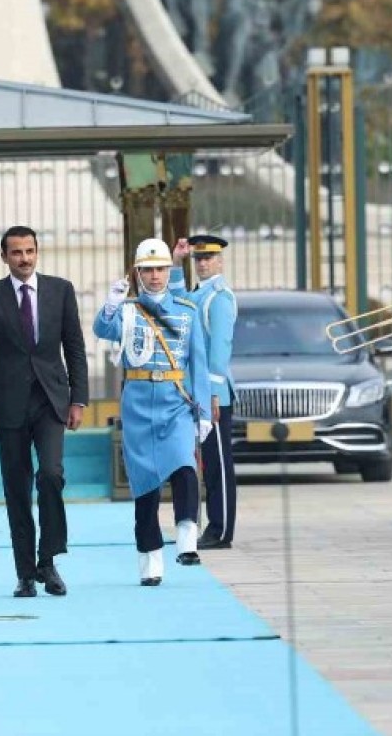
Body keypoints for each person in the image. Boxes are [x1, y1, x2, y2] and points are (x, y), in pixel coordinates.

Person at [0, 226, 89, 599]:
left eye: (30, 251)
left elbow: (76, 348)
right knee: (17, 489)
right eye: (16, 252)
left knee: (50, 475)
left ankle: (48, 561)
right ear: (4, 257)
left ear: (37, 252)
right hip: (9, 405)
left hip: (52, 401)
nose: (24, 258)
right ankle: (25, 573)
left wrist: (79, 399)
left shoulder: (61, 290)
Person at [94, 238, 212, 586]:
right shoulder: (129, 311)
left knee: (185, 468)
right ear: (138, 273)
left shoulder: (187, 312)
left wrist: (202, 411)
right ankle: (150, 562)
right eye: (148, 270)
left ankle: (187, 538)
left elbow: (199, 365)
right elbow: (103, 330)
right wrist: (111, 304)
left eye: (160, 268)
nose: (156, 276)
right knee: (144, 488)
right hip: (138, 403)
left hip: (175, 402)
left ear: (168, 270)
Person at [170, 233, 238, 549]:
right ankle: (210, 525)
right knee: (205, 463)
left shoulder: (219, 297)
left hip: (214, 395)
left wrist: (212, 393)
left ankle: (221, 529)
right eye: (198, 259)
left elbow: (220, 349)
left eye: (208, 258)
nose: (203, 263)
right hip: (197, 394)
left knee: (218, 466)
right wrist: (175, 264)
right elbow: (176, 303)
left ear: (220, 260)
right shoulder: (200, 294)